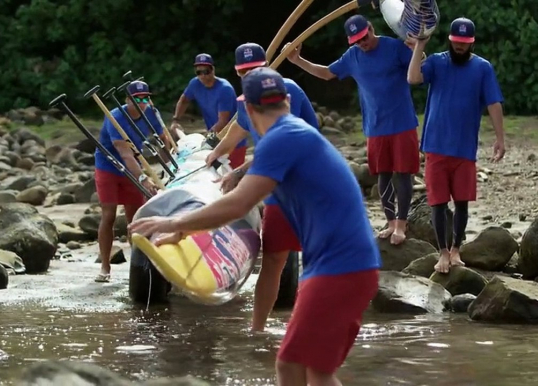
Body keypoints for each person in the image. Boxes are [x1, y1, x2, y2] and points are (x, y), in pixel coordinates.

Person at [129, 67, 380, 386]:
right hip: (345, 267)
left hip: (340, 270)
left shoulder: (282, 139)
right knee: (303, 367)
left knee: (298, 366)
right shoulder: (293, 133)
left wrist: (175, 221)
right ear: (287, 100)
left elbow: (238, 204)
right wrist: (186, 228)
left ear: (247, 109)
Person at [204, 42, 320, 332]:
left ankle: (310, 325)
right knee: (272, 259)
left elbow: (283, 146)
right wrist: (216, 152)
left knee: (316, 261)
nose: (250, 75)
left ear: (266, 66)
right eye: (244, 72)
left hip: (308, 185)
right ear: (237, 72)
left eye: (255, 69)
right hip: (277, 190)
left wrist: (239, 172)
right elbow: (239, 127)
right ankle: (258, 330)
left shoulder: (285, 91)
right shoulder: (246, 100)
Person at [283, 14, 420, 246]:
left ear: (371, 29)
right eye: (357, 40)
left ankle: (402, 223)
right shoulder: (352, 56)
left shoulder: (394, 47)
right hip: (375, 126)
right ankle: (390, 222)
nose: (362, 43)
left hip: (402, 122)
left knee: (403, 174)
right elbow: (327, 73)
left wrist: (418, 48)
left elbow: (419, 68)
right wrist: (297, 61)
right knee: (383, 175)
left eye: (364, 37)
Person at [407, 17, 506, 273]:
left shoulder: (482, 68)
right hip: (436, 146)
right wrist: (419, 46)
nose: (460, 47)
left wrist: (500, 138)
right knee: (438, 203)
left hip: (464, 149)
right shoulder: (438, 62)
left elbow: (493, 103)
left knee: (461, 202)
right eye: (456, 42)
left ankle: (456, 250)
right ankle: (442, 253)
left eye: (465, 43)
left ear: (471, 43)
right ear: (450, 40)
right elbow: (413, 78)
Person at [93, 80, 166, 282]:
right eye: (137, 99)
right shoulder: (115, 117)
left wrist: (170, 163)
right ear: (127, 100)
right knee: (109, 215)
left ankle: (138, 266)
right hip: (109, 166)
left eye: (146, 98)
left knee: (135, 217)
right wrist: (143, 177)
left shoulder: (151, 112)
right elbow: (124, 153)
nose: (143, 102)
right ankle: (105, 267)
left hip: (132, 166)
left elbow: (162, 140)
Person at [170, 53, 246, 168]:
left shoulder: (224, 89)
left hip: (233, 142)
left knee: (231, 178)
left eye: (206, 71)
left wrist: (206, 139)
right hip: (214, 139)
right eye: (199, 72)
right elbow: (184, 100)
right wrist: (176, 120)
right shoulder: (195, 84)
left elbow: (223, 121)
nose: (203, 76)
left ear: (213, 70)